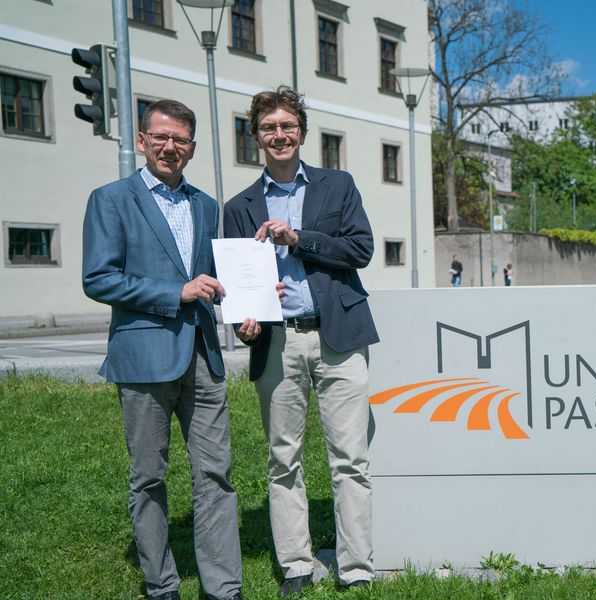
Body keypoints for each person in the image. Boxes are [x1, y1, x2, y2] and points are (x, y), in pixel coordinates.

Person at [82, 100, 243, 600]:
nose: (170, 147)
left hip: (202, 355)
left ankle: (223, 587)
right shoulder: (110, 199)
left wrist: (250, 293)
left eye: (181, 140)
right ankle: (161, 584)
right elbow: (98, 277)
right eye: (161, 137)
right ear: (144, 140)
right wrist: (174, 294)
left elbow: (212, 275)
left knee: (216, 472)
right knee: (149, 476)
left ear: (192, 148)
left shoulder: (206, 205)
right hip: (144, 357)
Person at [223, 86, 379, 597]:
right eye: (269, 127)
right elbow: (236, 278)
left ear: (302, 133)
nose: (279, 135)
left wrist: (299, 238)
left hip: (339, 338)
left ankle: (355, 569)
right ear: (257, 137)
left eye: (288, 126)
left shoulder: (338, 186)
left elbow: (361, 250)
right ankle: (295, 565)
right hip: (277, 343)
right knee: (282, 458)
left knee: (350, 458)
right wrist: (242, 323)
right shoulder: (239, 206)